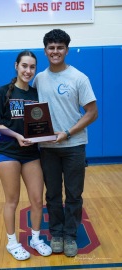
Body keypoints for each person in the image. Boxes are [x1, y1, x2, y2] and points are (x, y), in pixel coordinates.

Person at [33, 29, 98, 257]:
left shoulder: (79, 78)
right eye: (51, 48)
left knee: (73, 195)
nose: (55, 51)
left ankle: (70, 236)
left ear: (67, 50)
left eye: (60, 47)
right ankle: (56, 234)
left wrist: (68, 133)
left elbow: (92, 112)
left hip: (74, 146)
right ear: (45, 51)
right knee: (52, 195)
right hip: (48, 149)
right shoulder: (39, 78)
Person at [0, 50, 52, 261]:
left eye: (32, 67)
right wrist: (16, 135)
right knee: (12, 201)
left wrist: (47, 136)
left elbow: (39, 126)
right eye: (24, 66)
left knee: (36, 199)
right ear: (16, 66)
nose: (28, 70)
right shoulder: (2, 92)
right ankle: (12, 243)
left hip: (31, 153)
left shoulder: (35, 94)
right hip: (8, 152)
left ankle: (35, 238)